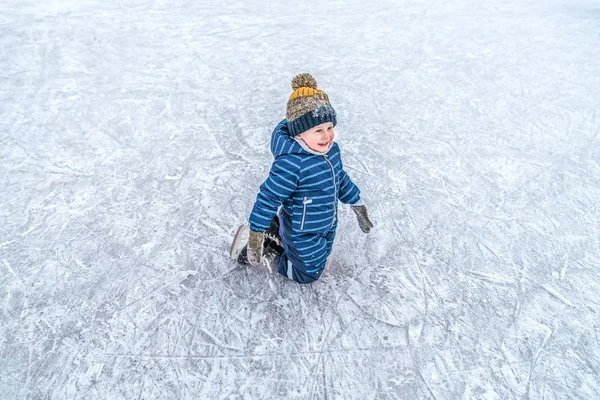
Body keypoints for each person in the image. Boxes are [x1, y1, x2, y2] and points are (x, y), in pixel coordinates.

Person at [230, 73, 373, 284]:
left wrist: (356, 202)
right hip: (301, 229)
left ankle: (275, 229)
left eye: (329, 128)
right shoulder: (291, 164)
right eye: (318, 130)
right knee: (307, 275)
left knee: (321, 257)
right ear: (299, 134)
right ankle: (274, 246)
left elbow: (339, 178)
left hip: (326, 221)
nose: (327, 136)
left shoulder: (331, 152)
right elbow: (268, 198)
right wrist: (256, 232)